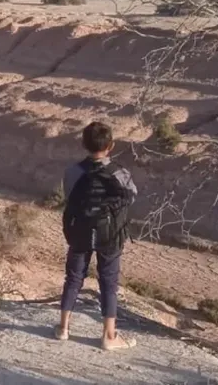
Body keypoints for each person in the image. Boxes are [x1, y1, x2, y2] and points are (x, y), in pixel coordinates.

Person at [55, 121, 137, 351]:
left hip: (79, 230)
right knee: (108, 283)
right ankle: (109, 336)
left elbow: (68, 195)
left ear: (83, 144)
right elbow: (131, 196)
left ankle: (63, 329)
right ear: (111, 145)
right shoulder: (120, 172)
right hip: (110, 235)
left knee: (73, 278)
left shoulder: (72, 172)